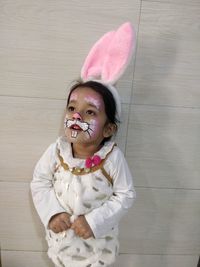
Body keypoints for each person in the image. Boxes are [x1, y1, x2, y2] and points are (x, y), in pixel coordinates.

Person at [31, 22, 136, 267]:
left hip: (99, 252)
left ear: (109, 128)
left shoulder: (112, 159)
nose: (76, 117)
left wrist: (95, 221)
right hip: (61, 246)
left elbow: (126, 194)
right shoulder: (56, 152)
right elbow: (40, 182)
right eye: (71, 108)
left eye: (90, 112)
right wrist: (53, 213)